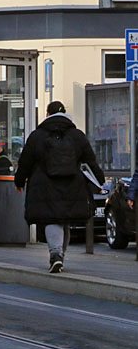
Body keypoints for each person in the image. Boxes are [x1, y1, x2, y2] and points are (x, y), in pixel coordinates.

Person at [14, 101, 104, 274]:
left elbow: (25, 162)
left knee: (51, 218)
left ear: (48, 114)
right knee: (64, 220)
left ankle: (56, 255)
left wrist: (19, 181)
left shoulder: (37, 136)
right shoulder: (77, 135)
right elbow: (90, 160)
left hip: (44, 185)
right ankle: (60, 256)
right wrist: (100, 181)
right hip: (72, 184)